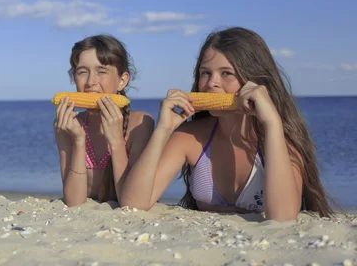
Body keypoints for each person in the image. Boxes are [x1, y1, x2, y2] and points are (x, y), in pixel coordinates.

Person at [119, 27, 333, 221]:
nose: (211, 83)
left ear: (254, 80)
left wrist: (272, 123)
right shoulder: (189, 137)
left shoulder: (280, 139)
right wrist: (163, 129)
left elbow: (283, 218)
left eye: (226, 73)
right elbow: (134, 203)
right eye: (205, 73)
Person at [53, 34, 155, 207]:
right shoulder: (66, 126)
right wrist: (78, 141)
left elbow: (129, 202)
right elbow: (74, 201)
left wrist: (116, 142)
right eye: (82, 72)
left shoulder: (140, 124)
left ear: (122, 81)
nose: (91, 82)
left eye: (101, 72)